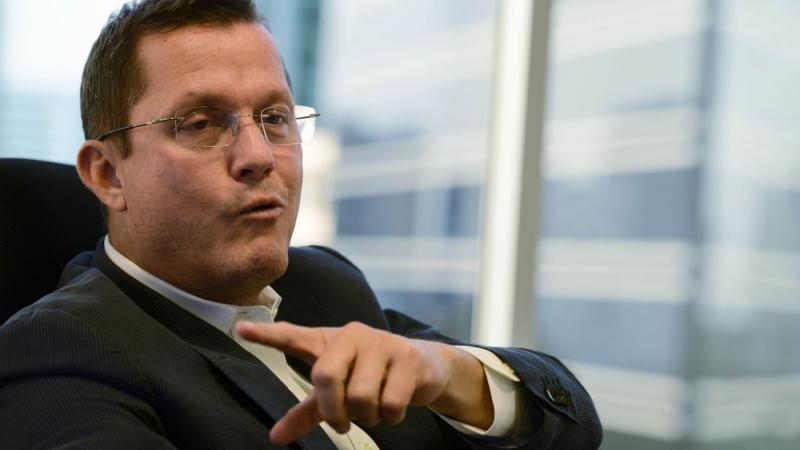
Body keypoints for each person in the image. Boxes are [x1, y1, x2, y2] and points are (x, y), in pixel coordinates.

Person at [0, 1, 601, 448]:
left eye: (274, 117)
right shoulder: (58, 351)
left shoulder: (324, 282)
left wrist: (448, 372)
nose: (259, 156)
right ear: (108, 174)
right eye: (201, 123)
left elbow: (573, 423)